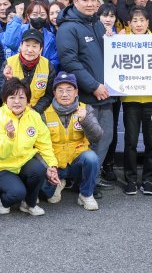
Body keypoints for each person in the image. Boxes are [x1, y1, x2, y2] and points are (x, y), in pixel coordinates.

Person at [56, 0, 112, 194]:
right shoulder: (68, 28)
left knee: (104, 139)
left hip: (106, 95)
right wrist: (93, 86)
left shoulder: (97, 24)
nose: (90, 4)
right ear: (75, 1)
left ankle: (93, 180)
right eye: (85, 0)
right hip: (88, 96)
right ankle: (84, 183)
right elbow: (70, 63)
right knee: (89, 141)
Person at [0, 79, 60, 216]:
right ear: (5, 100)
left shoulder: (34, 116)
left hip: (22, 162)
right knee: (17, 193)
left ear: (28, 100)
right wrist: (9, 137)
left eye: (21, 97)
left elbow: (44, 144)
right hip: (0, 166)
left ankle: (29, 204)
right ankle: (2, 198)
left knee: (38, 170)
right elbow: (0, 153)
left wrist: (52, 166)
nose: (17, 101)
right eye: (12, 97)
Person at [119, 8, 152, 195]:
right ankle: (130, 180)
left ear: (148, 22)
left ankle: (148, 180)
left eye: (142, 20)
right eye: (135, 21)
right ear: (129, 23)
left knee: (151, 141)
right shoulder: (122, 42)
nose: (138, 24)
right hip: (130, 99)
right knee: (130, 141)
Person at [42, 72, 103, 210]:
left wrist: (85, 120)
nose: (65, 94)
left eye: (69, 90)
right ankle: (58, 182)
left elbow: (97, 136)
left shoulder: (85, 109)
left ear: (76, 92)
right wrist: (50, 167)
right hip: (55, 165)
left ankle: (86, 195)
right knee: (47, 195)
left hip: (76, 162)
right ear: (54, 92)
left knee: (91, 158)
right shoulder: (45, 113)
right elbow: (39, 145)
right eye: (60, 90)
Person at [0, 28, 56, 114]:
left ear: (41, 49)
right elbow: (1, 92)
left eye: (34, 46)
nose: (30, 50)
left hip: (37, 113)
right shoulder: (9, 63)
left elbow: (49, 95)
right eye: (27, 45)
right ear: (21, 46)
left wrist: (35, 110)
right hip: (11, 112)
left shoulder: (48, 65)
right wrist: (9, 80)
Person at [3, 0, 59, 67]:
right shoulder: (19, 29)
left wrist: (45, 68)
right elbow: (9, 43)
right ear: (28, 16)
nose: (38, 17)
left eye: (42, 15)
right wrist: (17, 17)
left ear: (47, 17)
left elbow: (54, 60)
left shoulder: (51, 37)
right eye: (34, 14)